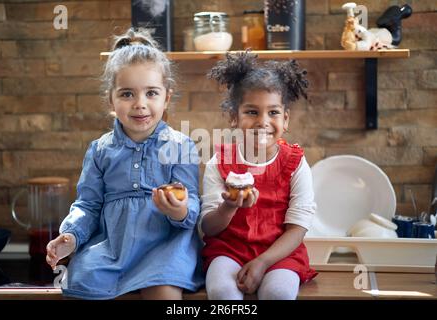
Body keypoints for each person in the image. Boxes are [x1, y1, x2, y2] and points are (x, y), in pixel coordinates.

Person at [45, 28, 204, 300]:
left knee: (163, 291)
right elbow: (88, 205)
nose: (140, 104)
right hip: (112, 247)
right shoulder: (100, 150)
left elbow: (191, 204)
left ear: (167, 97)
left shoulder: (180, 146)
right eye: (127, 94)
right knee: (81, 282)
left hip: (164, 248)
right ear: (111, 100)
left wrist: (178, 211)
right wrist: (71, 236)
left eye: (151, 93)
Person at [200, 51, 318, 300]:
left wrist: (263, 262)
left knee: (278, 293)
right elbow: (208, 228)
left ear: (285, 119)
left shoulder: (295, 163)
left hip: (280, 254)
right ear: (234, 117)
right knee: (222, 292)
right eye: (252, 112)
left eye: (273, 112)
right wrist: (228, 207)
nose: (263, 121)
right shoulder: (219, 162)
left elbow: (298, 228)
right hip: (229, 251)